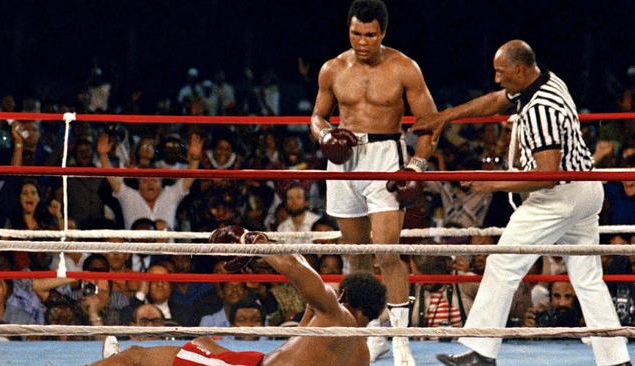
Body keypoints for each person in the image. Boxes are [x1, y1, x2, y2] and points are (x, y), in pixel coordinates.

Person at [412, 39, 631, 366]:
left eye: (501, 72)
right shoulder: (543, 80)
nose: (497, 79)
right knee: (587, 277)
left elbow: (548, 174)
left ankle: (481, 352)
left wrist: (491, 184)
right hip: (585, 188)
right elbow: (497, 100)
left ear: (520, 69)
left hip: (560, 195)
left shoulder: (542, 108)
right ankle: (615, 360)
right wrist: (447, 116)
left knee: (502, 262)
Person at [309, 1, 437, 364]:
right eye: (355, 34)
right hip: (343, 159)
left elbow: (429, 121)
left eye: (369, 35)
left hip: (385, 157)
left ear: (382, 33)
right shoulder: (333, 68)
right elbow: (317, 116)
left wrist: (416, 166)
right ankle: (367, 335)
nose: (362, 42)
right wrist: (324, 136)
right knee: (356, 257)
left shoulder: (404, 68)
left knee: (386, 252)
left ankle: (400, 341)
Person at [88, 225, 387, 366]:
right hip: (257, 361)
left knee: (136, 357)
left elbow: (297, 271)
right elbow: (300, 344)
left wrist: (252, 240)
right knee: (201, 343)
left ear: (344, 293)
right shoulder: (361, 356)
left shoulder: (336, 313)